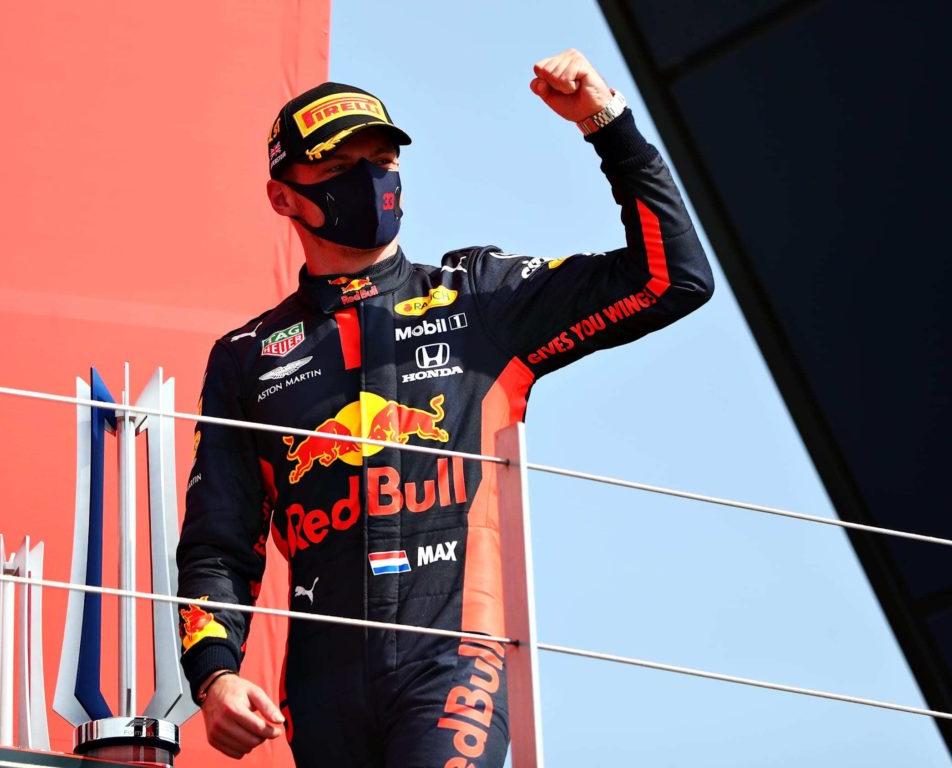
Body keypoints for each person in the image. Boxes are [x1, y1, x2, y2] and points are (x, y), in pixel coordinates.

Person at [176, 49, 713, 766]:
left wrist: (606, 123)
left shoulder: (480, 296)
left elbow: (672, 279)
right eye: (341, 168)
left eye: (383, 162)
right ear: (283, 197)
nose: (370, 180)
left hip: (457, 659)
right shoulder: (248, 356)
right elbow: (218, 543)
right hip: (322, 686)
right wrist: (214, 675)